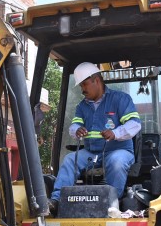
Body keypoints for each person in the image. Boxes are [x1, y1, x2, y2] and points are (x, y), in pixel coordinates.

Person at [49, 62, 141, 214]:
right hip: (91, 152)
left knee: (117, 162)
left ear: (96, 80)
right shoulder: (82, 106)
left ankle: (111, 205)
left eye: (85, 84)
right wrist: (77, 130)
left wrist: (116, 133)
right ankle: (57, 200)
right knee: (70, 160)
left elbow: (135, 124)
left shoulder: (120, 99)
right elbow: (74, 126)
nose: (82, 89)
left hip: (119, 149)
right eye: (81, 86)